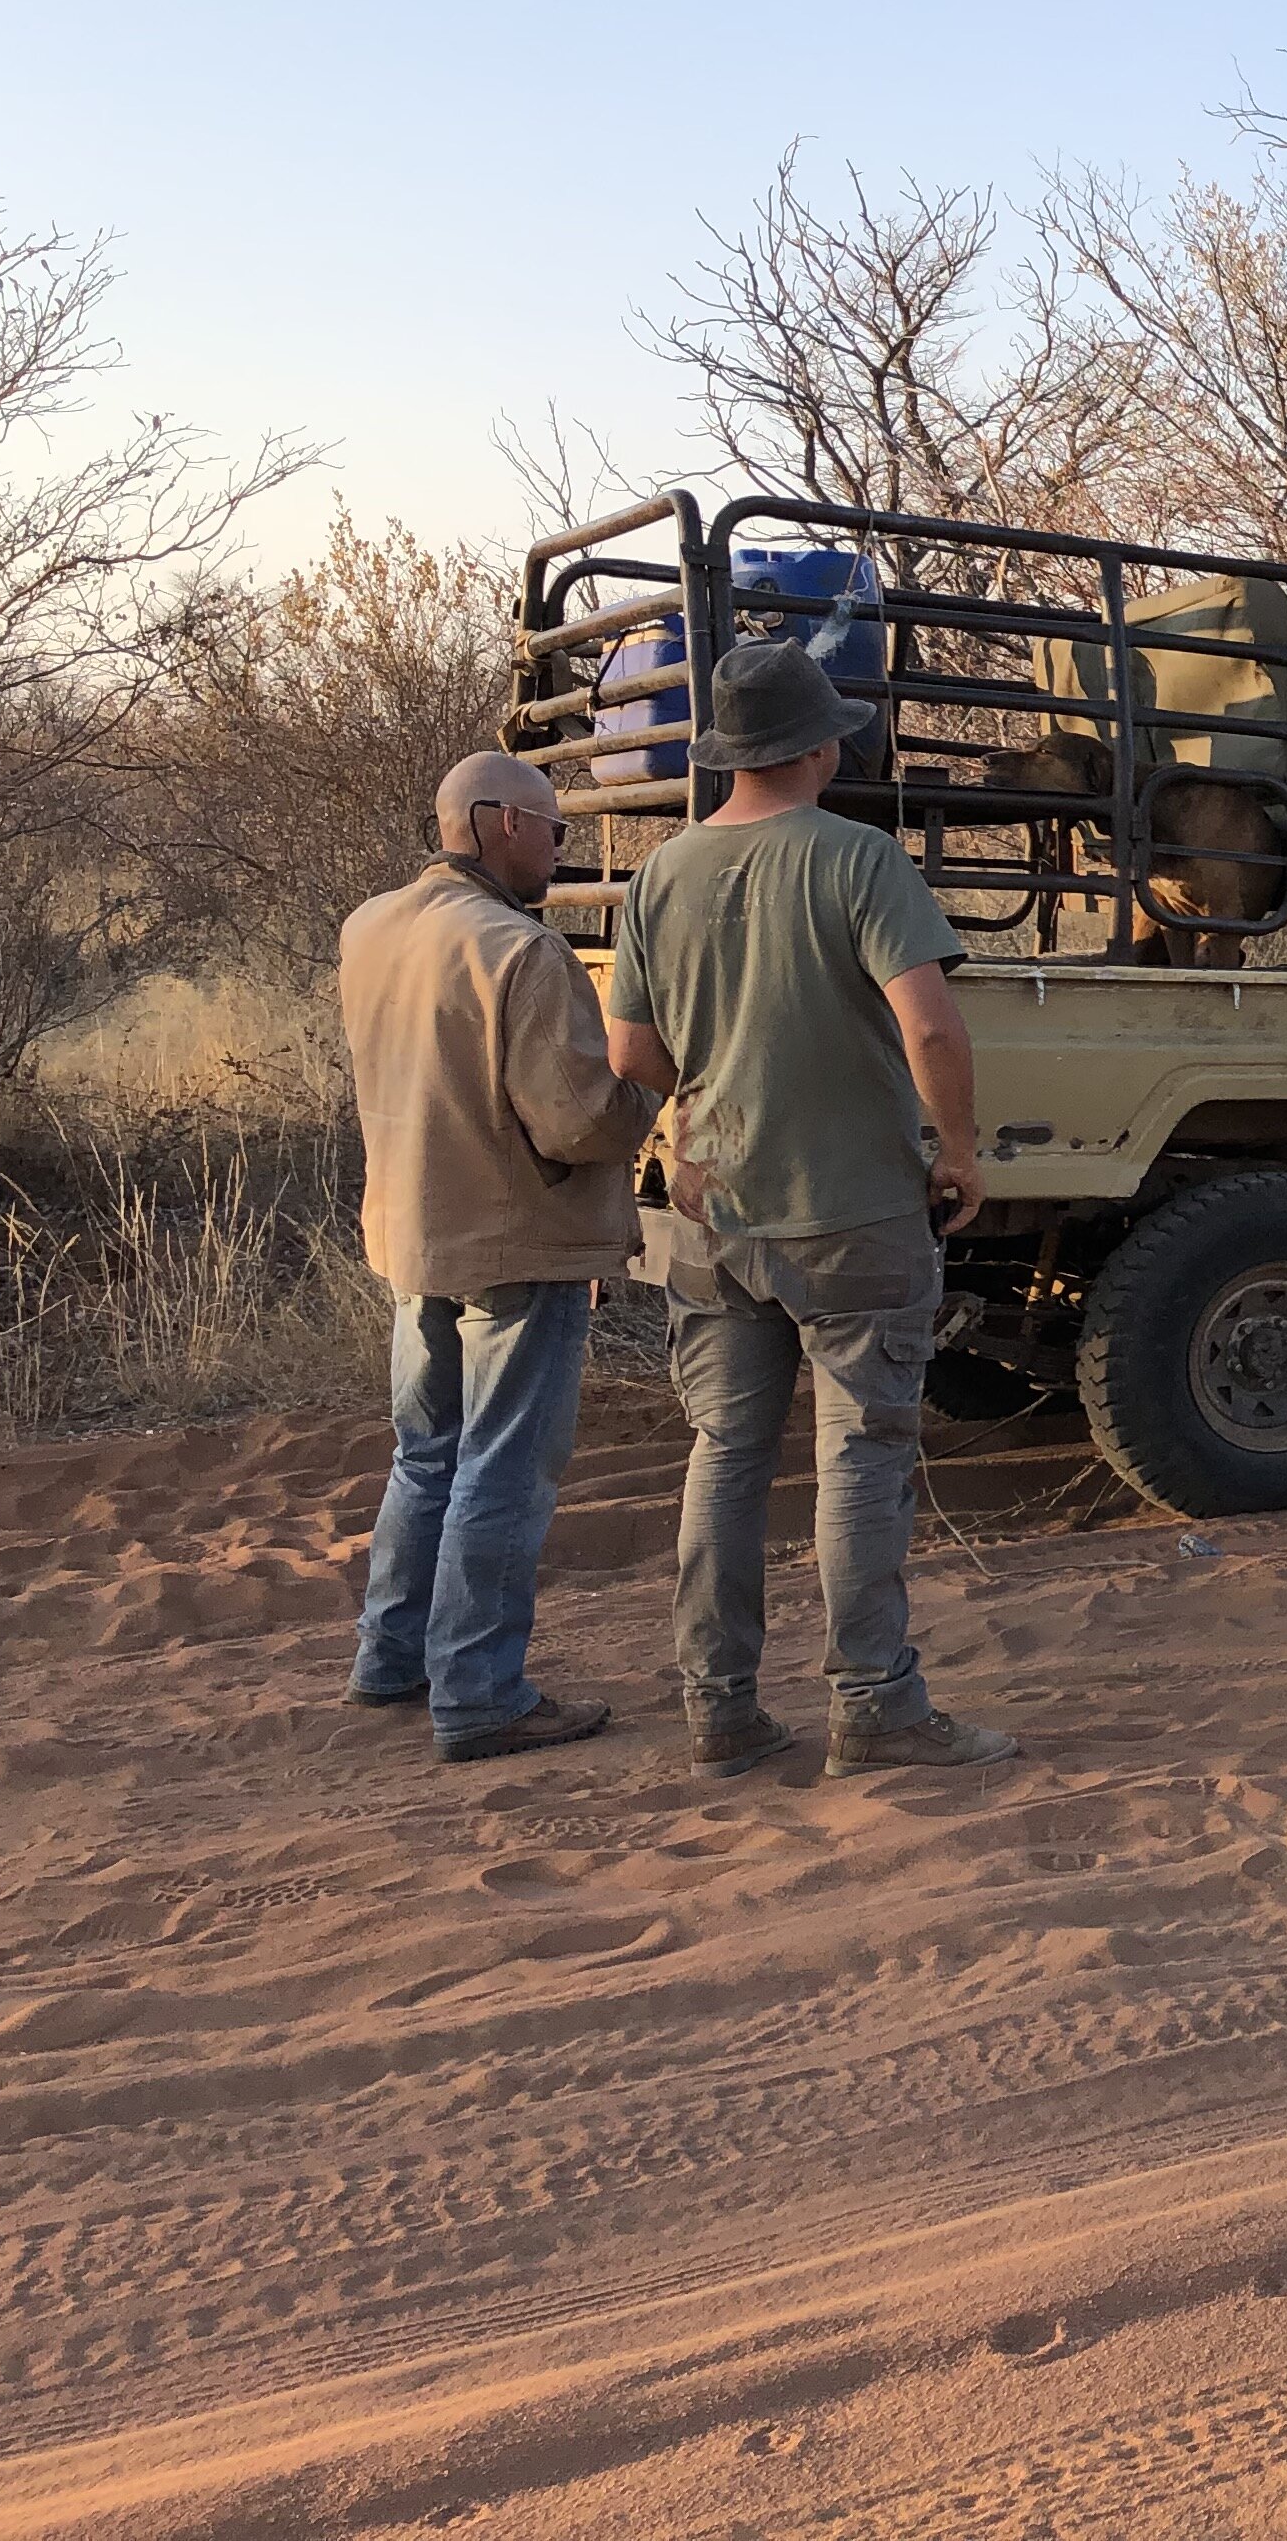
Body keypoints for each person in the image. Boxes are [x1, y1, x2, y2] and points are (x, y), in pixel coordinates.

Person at [603, 641, 1018, 1775]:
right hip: (852, 1214)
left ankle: (719, 1705)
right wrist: (962, 1151)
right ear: (822, 746)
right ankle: (874, 1704)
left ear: (729, 753)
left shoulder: (660, 875)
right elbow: (930, 1025)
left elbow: (633, 1056)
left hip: (712, 1210)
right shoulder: (860, 860)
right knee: (863, 1456)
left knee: (726, 1454)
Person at [334, 751, 660, 1762]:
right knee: (504, 1467)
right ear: (498, 823)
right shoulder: (519, 951)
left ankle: (392, 1659)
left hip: (411, 1228)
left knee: (426, 1451)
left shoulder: (370, 926)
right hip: (517, 1240)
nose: (561, 849)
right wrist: (648, 1085)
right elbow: (578, 1124)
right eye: (554, 829)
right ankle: (479, 1692)